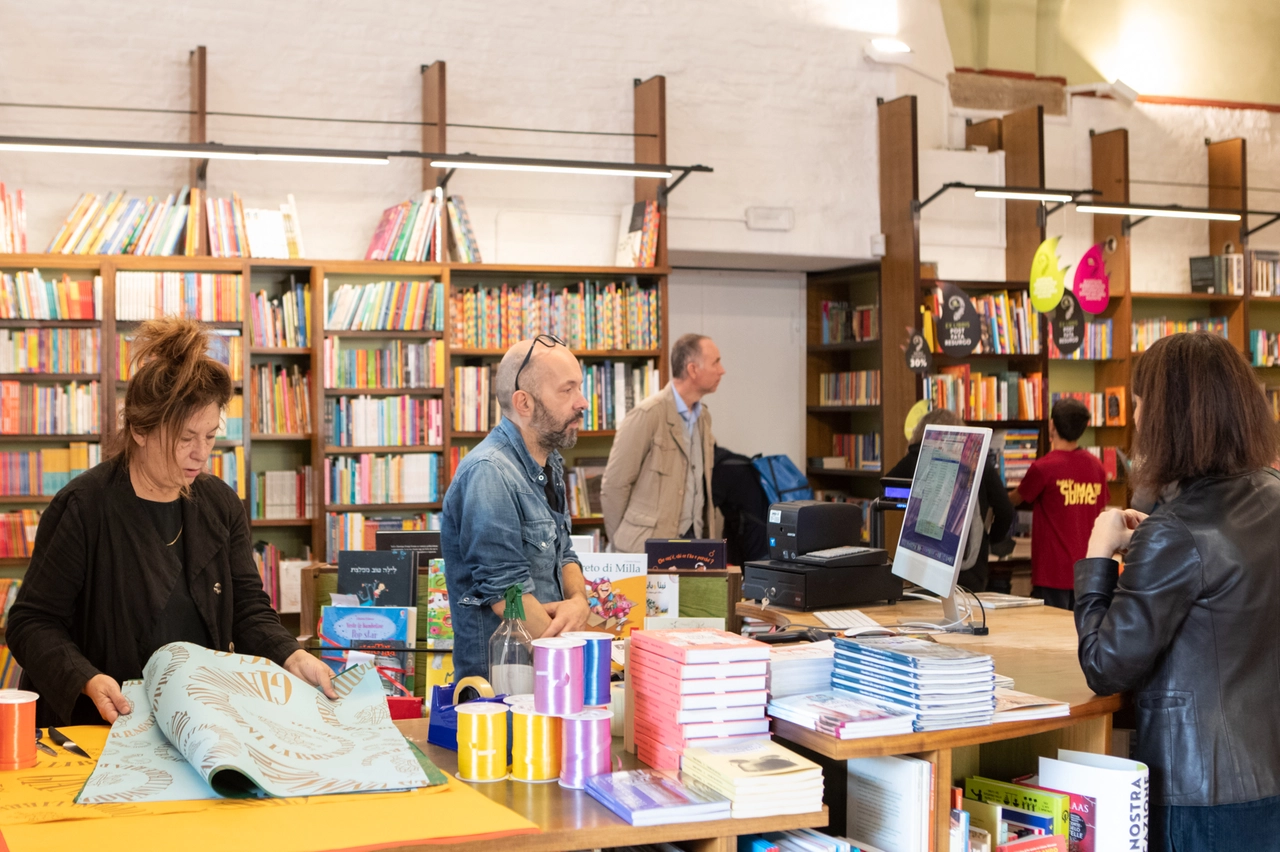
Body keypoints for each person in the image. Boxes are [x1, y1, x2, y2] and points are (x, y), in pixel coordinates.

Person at [7, 318, 335, 727]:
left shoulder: (220, 504)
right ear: (141, 429)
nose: (201, 453)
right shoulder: (84, 506)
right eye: (185, 438)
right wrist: (86, 678)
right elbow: (30, 622)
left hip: (198, 721)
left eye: (211, 436)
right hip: (102, 726)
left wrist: (291, 653)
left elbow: (247, 610)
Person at [1075, 332, 1280, 850]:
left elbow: (1104, 666)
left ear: (1168, 417)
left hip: (1202, 792)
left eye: (1141, 404)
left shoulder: (1174, 531)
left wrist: (1100, 555)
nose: (1137, 418)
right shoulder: (1273, 497)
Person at [441, 335, 592, 681]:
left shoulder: (549, 461)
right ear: (523, 403)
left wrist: (579, 602)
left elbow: (565, 554)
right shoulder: (489, 473)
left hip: (548, 670)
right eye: (566, 391)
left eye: (579, 388)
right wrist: (574, 659)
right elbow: (508, 598)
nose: (582, 402)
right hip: (504, 686)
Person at [601, 333, 724, 552]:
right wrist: (623, 542)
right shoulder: (647, 414)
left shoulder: (704, 417)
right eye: (716, 362)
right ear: (693, 370)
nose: (721, 370)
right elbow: (614, 485)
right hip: (646, 549)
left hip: (695, 543)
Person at [886, 408, 1013, 592]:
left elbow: (887, 490)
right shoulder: (976, 462)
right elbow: (1005, 511)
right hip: (970, 563)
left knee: (927, 612)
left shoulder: (917, 458)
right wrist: (990, 540)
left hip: (924, 563)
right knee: (969, 616)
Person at [1009, 398, 1108, 610]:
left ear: (1051, 425)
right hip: (1087, 570)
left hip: (1051, 572)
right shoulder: (1097, 467)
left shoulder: (1043, 468)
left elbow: (1017, 498)